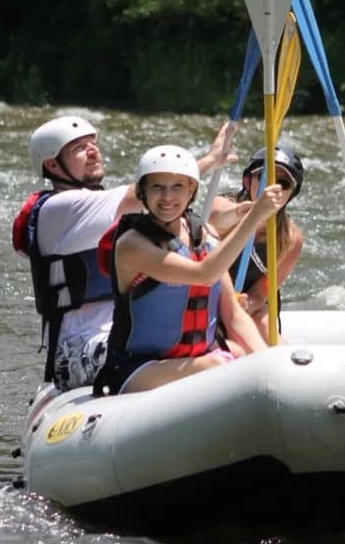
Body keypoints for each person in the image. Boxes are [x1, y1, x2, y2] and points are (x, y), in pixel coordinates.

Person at [11, 115, 237, 391]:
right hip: (79, 347)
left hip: (127, 333)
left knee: (224, 346)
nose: (93, 151)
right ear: (52, 164)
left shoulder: (100, 210)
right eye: (78, 148)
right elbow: (144, 195)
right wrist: (209, 160)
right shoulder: (60, 208)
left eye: (92, 143)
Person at [91, 144, 288, 396]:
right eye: (157, 187)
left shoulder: (204, 235)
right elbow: (204, 275)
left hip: (195, 360)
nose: (167, 197)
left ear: (192, 190)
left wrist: (271, 364)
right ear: (142, 191)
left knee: (242, 355)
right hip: (138, 367)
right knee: (219, 363)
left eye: (177, 187)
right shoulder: (132, 244)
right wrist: (254, 218)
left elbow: (234, 316)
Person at [207, 146, 305, 341]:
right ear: (247, 181)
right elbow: (216, 218)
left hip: (246, 303)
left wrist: (246, 304)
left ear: (290, 194)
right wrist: (251, 215)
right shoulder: (223, 205)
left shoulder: (291, 239)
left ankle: (278, 361)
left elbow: (263, 290)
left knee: (264, 324)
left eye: (283, 183)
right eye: (265, 178)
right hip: (209, 294)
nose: (273, 187)